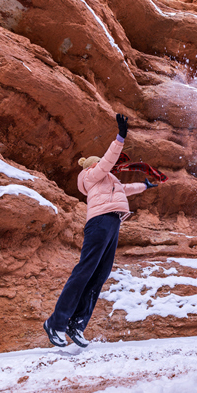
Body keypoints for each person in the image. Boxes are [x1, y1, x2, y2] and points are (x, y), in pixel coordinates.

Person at [44, 113, 159, 347]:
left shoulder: (109, 181)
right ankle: (55, 322)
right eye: (100, 164)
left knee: (99, 275)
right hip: (99, 222)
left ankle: (76, 324)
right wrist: (120, 138)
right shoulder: (91, 175)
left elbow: (126, 188)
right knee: (85, 271)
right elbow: (107, 161)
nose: (105, 168)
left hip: (112, 223)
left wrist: (144, 186)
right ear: (92, 166)